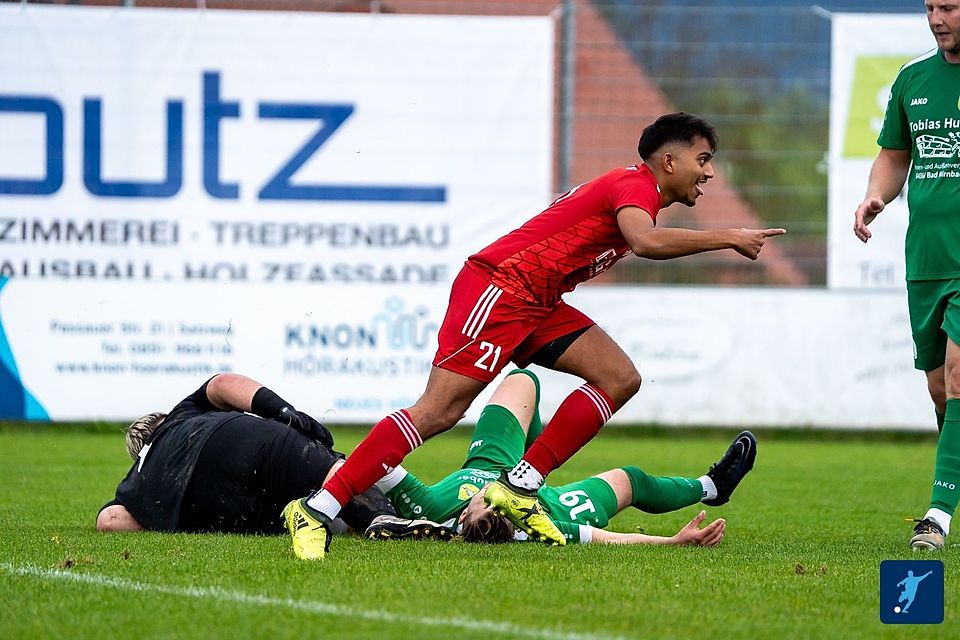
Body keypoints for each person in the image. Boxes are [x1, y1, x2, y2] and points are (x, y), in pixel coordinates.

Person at [285, 112, 785, 560]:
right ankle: (317, 508)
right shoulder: (635, 185)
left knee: (619, 378)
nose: (710, 172)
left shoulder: (633, 189)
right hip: (500, 289)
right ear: (669, 161)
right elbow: (646, 241)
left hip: (537, 302)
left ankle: (520, 485)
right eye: (703, 159)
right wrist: (730, 236)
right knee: (438, 411)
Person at [370, 369, 750, 547]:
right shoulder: (543, 527)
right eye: (497, 505)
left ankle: (537, 460)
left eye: (485, 501)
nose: (494, 497)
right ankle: (711, 487)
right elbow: (603, 538)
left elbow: (378, 463)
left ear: (464, 514)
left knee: (522, 379)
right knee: (629, 479)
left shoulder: (432, 507)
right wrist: (671, 543)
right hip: (552, 504)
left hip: (490, 461)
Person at [97, 372, 450, 541]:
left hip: (216, 509)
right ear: (161, 420)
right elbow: (221, 384)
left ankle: (352, 520)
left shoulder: (137, 482)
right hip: (243, 442)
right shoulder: (181, 417)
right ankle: (380, 519)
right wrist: (283, 410)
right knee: (335, 475)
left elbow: (110, 520)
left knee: (286, 511)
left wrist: (166, 514)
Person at [853, 0, 960, 551]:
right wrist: (877, 194)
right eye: (930, 7)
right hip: (928, 260)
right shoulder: (913, 80)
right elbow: (895, 156)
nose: (937, 18)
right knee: (941, 390)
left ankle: (937, 516)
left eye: (950, 7)